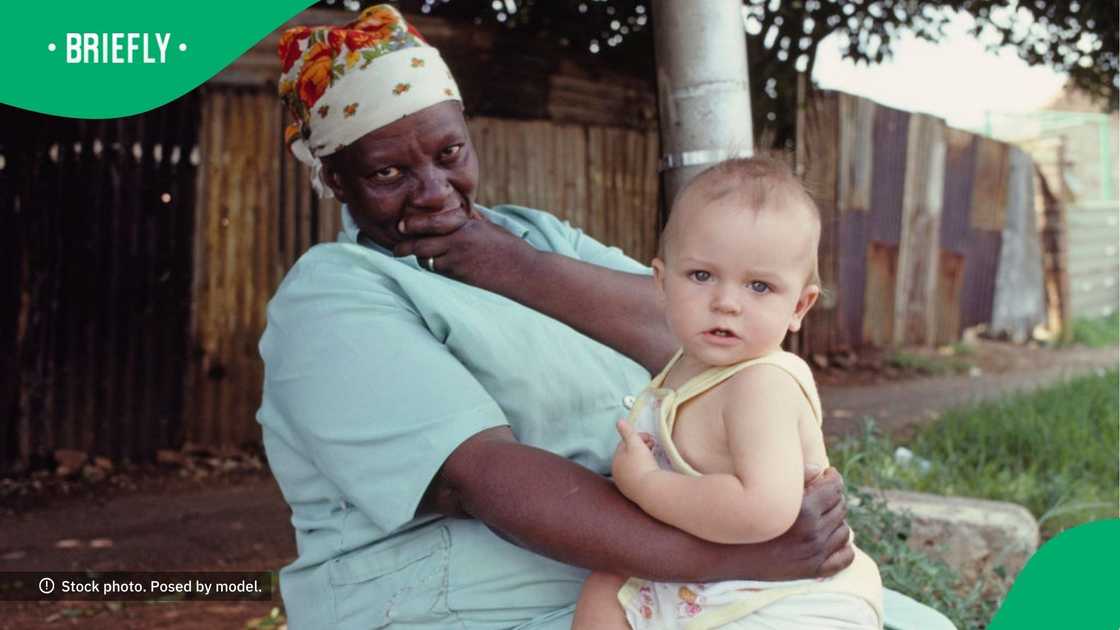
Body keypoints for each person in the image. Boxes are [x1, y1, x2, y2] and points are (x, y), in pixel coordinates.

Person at [259, 5, 954, 630]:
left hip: (654, 587)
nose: (434, 192)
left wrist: (511, 265)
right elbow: (482, 480)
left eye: (449, 155)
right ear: (336, 178)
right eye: (389, 173)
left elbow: (696, 332)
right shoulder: (334, 297)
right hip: (470, 605)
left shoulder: (535, 239)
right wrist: (744, 555)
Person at [571, 157, 882, 629]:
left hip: (785, 598)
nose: (726, 302)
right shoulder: (686, 366)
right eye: (701, 276)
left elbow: (763, 510)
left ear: (799, 307)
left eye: (759, 286)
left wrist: (647, 484)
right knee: (604, 589)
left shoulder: (761, 386)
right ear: (661, 283)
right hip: (717, 575)